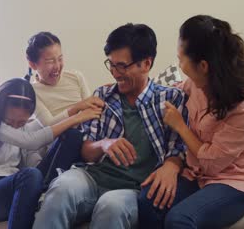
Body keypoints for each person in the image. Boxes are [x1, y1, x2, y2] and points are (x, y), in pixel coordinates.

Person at [33, 23, 187, 229]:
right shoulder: (102, 96)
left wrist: (172, 166)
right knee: (61, 187)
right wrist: (103, 144)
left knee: (111, 206)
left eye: (122, 66)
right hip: (92, 177)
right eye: (111, 65)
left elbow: (178, 148)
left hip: (133, 189)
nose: (115, 73)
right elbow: (87, 151)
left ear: (146, 64)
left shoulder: (170, 99)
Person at [138, 15, 244, 229]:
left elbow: (213, 163)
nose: (179, 65)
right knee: (147, 200)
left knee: (180, 219)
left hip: (235, 181)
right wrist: (138, 87)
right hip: (197, 175)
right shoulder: (198, 83)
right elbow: (172, 92)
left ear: (203, 65)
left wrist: (180, 125)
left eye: (181, 60)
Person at [0, 78, 101, 229]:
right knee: (29, 175)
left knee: (72, 136)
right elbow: (31, 141)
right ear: (0, 109)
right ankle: (43, 199)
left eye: (22, 123)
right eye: (10, 122)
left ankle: (49, 198)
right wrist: (77, 116)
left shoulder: (23, 133)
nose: (16, 127)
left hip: (17, 188)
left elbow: (33, 164)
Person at [25, 32, 104, 127]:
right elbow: (49, 125)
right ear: (33, 65)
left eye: (60, 59)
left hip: (88, 131)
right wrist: (77, 108)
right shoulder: (31, 92)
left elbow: (90, 110)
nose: (57, 66)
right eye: (50, 61)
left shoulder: (75, 77)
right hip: (62, 137)